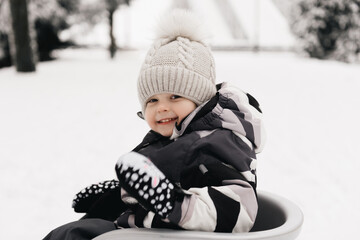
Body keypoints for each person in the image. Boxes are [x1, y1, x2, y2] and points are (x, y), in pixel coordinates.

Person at [43, 9, 266, 240]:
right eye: (152, 100)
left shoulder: (219, 142)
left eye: (175, 96)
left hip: (164, 235)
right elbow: (168, 179)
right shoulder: (173, 139)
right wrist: (118, 194)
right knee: (74, 230)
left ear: (200, 99)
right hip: (146, 230)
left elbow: (240, 210)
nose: (161, 107)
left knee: (72, 236)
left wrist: (172, 201)